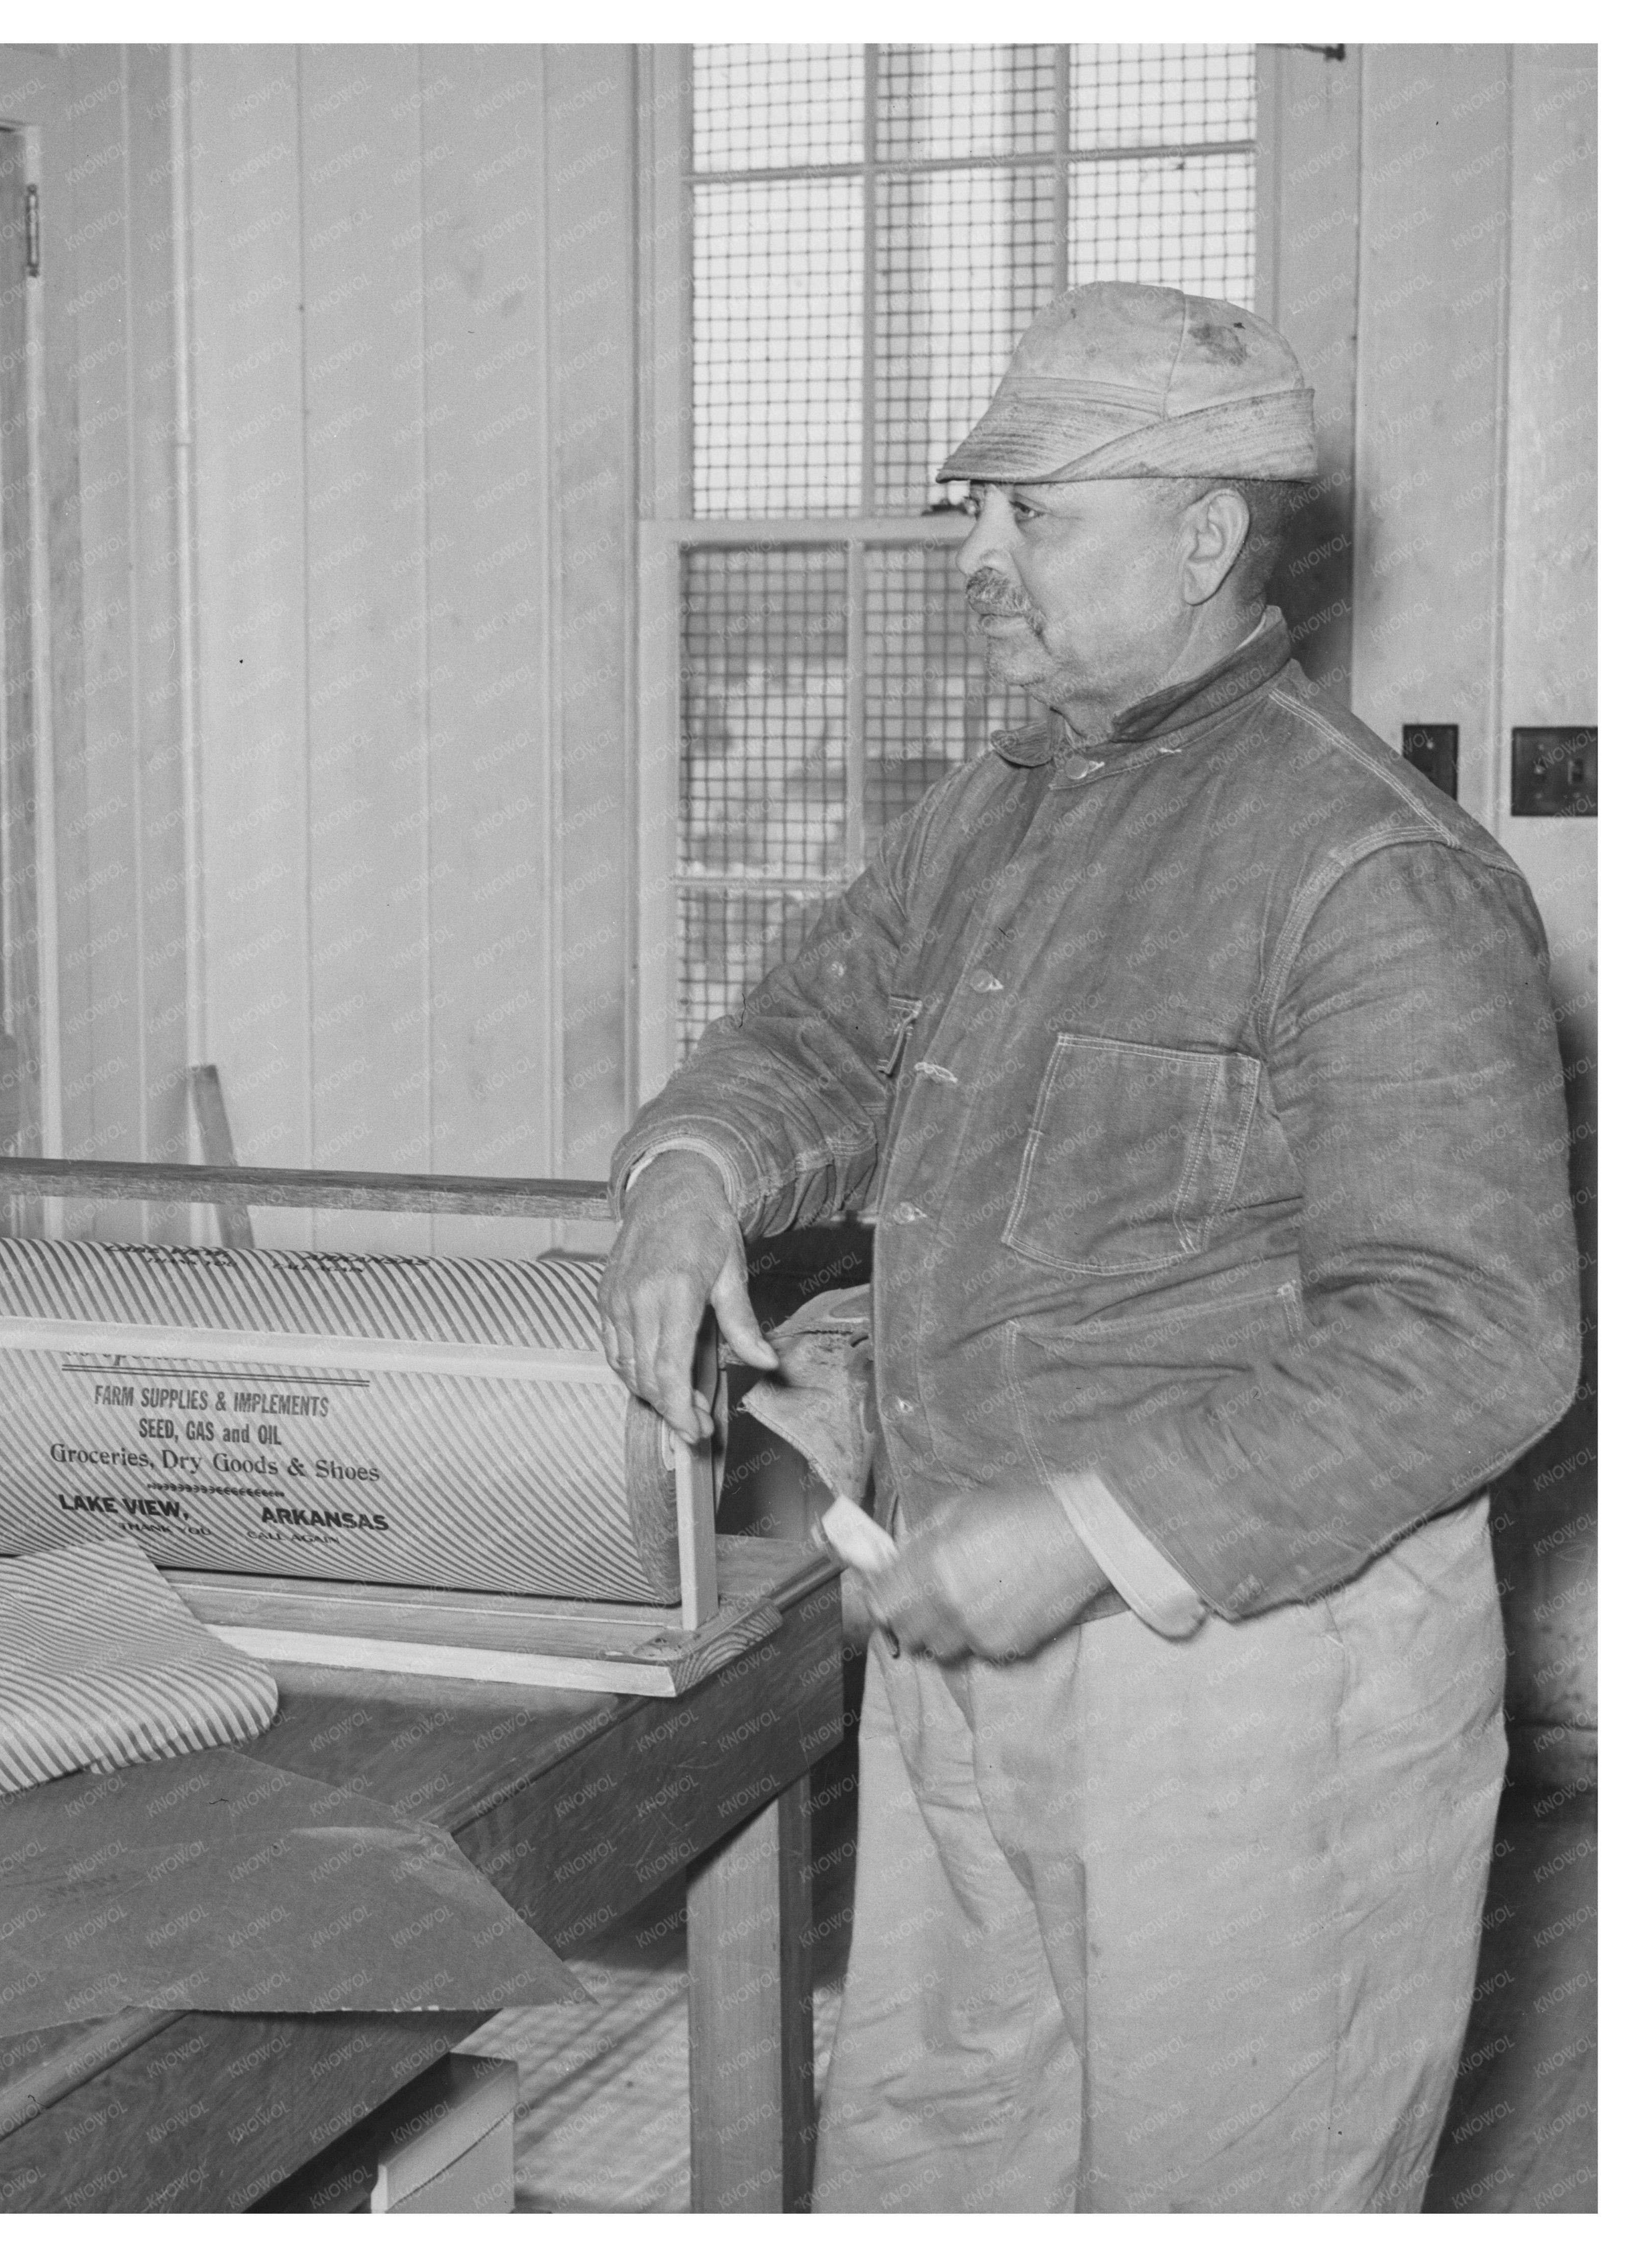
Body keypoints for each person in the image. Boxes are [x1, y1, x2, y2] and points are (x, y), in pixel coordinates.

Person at [600, 283, 1580, 2210]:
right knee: (942, 2165)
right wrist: (691, 1173)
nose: (976, 559)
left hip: (1250, 1682)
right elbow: (812, 1034)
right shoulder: (1010, 802)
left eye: (1029, 515)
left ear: (1206, 536)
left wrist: (1085, 1530)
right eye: (978, 508)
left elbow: (1477, 1337)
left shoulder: (1375, 872)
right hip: (963, 1631)